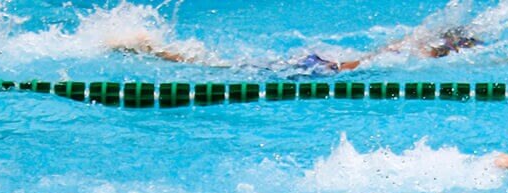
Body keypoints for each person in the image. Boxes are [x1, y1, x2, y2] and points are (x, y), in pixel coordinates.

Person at [111, 27, 482, 75]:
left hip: (318, 63)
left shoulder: (405, 49)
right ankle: (151, 50)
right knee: (220, 68)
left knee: (222, 64)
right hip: (319, 69)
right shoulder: (411, 56)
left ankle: (152, 49)